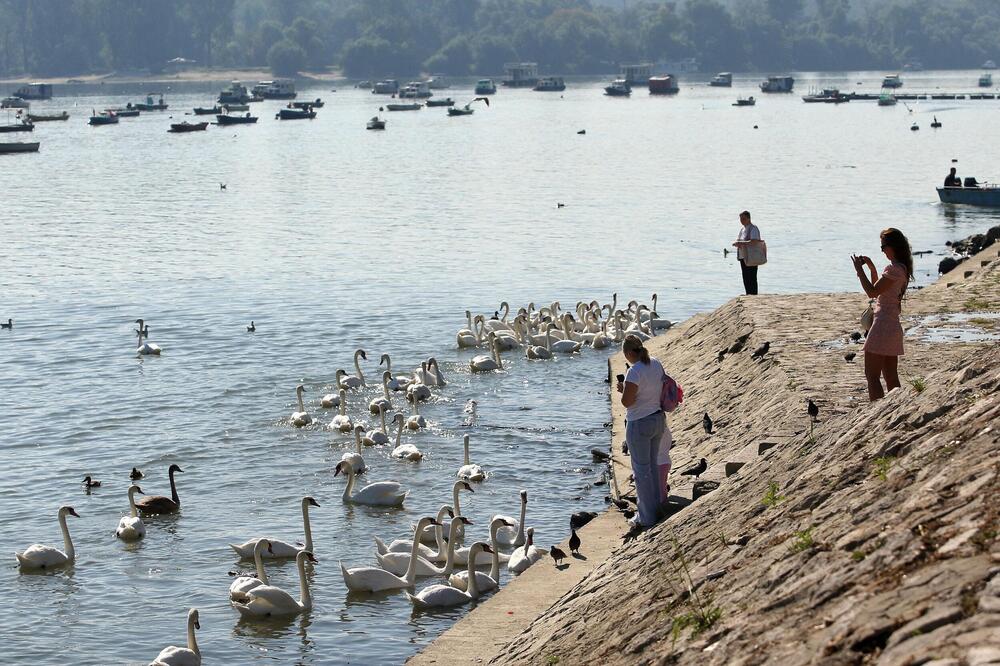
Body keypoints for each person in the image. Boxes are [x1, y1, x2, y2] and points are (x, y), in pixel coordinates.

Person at [851, 228, 913, 401]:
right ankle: (897, 407)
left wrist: (859, 270)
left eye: (883, 247)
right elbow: (880, 291)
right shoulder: (902, 268)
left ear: (893, 246)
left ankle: (876, 410)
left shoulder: (893, 269)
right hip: (893, 327)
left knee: (872, 375)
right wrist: (871, 268)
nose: (883, 250)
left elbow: (871, 292)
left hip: (882, 326)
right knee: (891, 377)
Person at [617, 335, 666, 529]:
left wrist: (622, 390)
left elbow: (627, 402)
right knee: (653, 466)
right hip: (657, 419)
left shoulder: (634, 371)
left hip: (639, 424)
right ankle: (656, 507)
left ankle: (646, 517)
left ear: (629, 353)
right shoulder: (656, 363)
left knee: (641, 471)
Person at [732, 210, 762, 295]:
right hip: (743, 256)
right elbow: (742, 241)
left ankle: (753, 295)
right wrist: (738, 244)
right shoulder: (742, 229)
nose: (742, 221)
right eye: (741, 219)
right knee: (745, 277)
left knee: (751, 277)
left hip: (752, 256)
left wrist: (741, 243)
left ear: (749, 218)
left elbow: (754, 241)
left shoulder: (753, 228)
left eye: (743, 218)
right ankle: (748, 294)